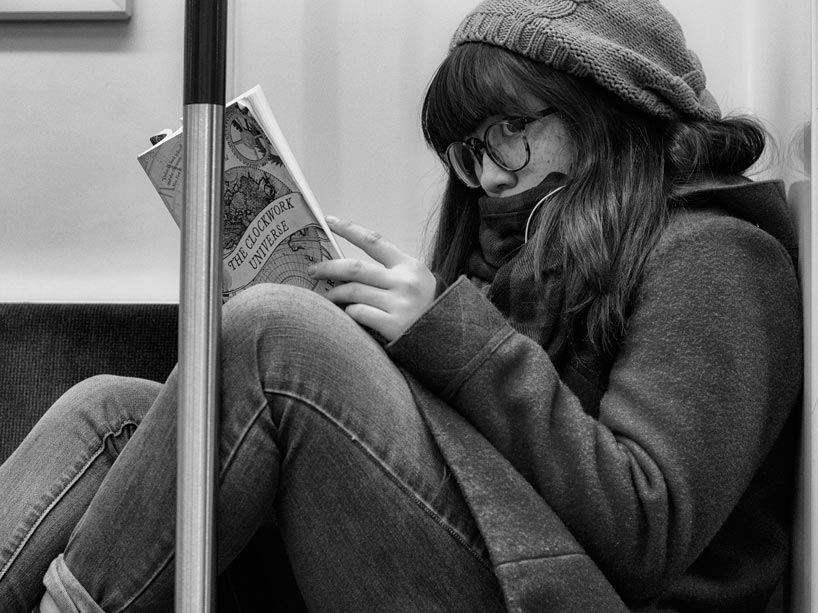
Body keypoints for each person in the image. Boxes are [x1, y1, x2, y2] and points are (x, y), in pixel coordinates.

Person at [0, 0, 803, 610]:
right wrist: (389, 348)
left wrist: (455, 337)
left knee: (271, 334)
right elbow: (478, 451)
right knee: (111, 409)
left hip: (566, 590)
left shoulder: (718, 255)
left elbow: (645, 526)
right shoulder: (539, 247)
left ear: (607, 110)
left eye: (508, 131)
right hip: (501, 553)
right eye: (467, 149)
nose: (486, 175)